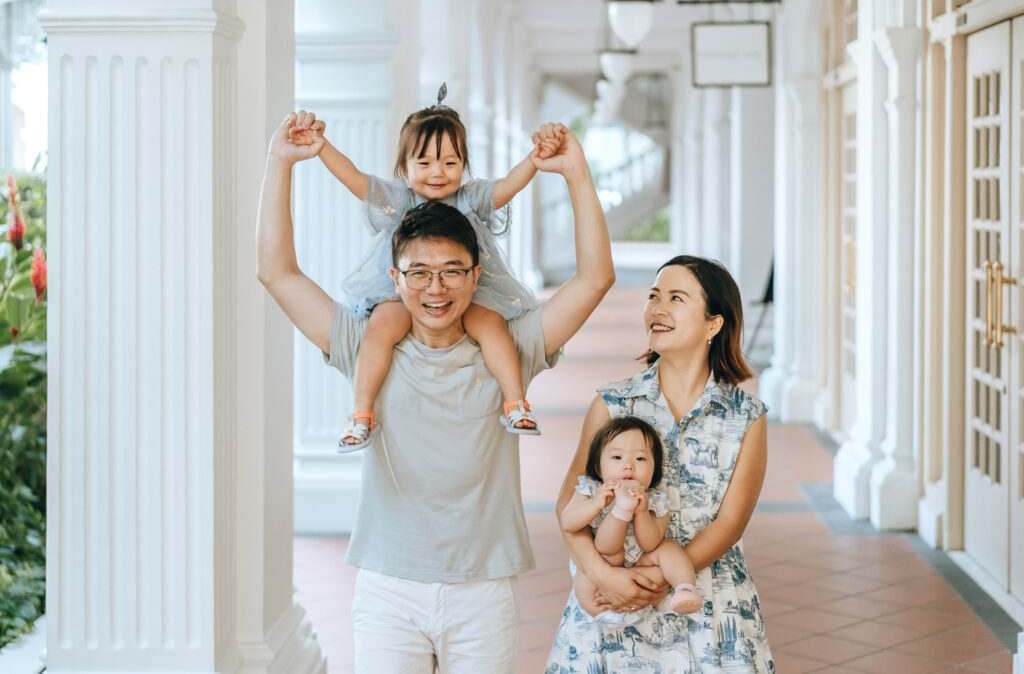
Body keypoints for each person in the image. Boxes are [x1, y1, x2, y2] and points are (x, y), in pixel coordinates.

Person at [256, 111, 613, 673]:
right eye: (418, 273)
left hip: (485, 588)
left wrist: (576, 174)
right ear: (395, 279)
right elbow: (278, 273)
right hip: (387, 588)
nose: (435, 288)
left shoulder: (511, 348)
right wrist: (280, 163)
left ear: (477, 276)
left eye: (452, 271)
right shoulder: (365, 343)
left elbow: (594, 279)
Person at [546, 256, 774, 673]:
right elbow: (569, 507)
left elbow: (730, 524)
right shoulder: (613, 403)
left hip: (707, 607)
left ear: (713, 324)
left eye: (676, 298)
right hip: (610, 606)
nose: (657, 308)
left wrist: (661, 578)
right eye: (653, 296)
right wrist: (604, 576)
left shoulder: (746, 416)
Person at [302, 85, 560, 450]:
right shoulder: (399, 198)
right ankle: (361, 414)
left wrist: (535, 158)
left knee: (492, 325)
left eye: (450, 163)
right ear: (404, 168)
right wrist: (321, 147)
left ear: (463, 165)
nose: (437, 172)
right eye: (424, 163)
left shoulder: (470, 198)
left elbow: (507, 187)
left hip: (470, 289)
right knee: (380, 326)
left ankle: (515, 402)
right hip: (402, 290)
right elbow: (355, 179)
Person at [560, 415, 703, 623]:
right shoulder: (590, 490)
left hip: (640, 563)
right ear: (599, 467)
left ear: (654, 470)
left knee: (669, 548)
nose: (629, 466)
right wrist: (596, 504)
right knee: (609, 550)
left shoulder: (655, 501)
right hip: (602, 569)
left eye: (640, 459)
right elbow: (568, 523)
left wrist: (642, 513)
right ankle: (620, 512)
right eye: (617, 458)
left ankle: (685, 589)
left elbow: (650, 543)